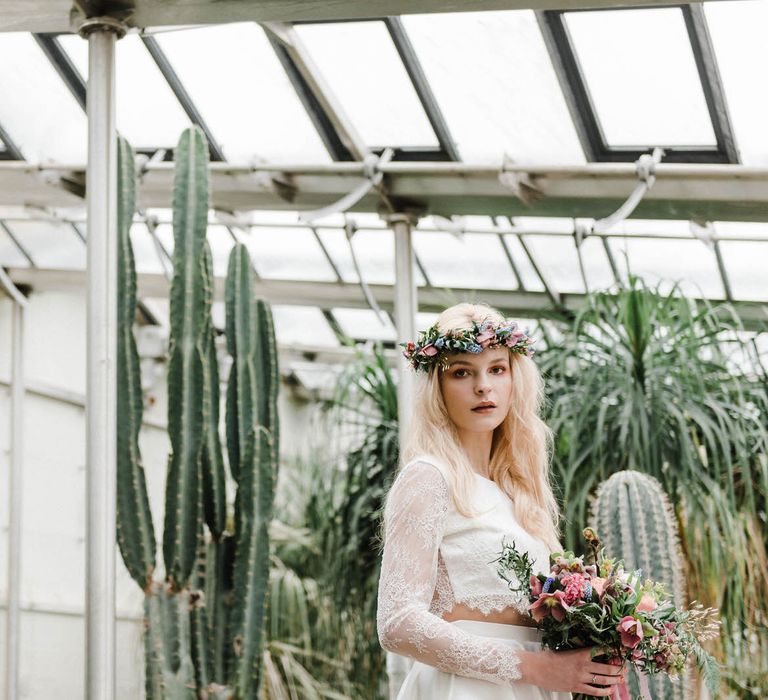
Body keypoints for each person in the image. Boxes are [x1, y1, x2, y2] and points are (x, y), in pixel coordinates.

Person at [376, 303, 628, 699]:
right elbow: (398, 623)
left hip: (536, 688)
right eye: (462, 372)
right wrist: (532, 667)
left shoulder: (521, 492)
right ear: (437, 387)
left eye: (497, 369)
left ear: (515, 379)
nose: (483, 387)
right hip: (466, 689)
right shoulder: (428, 476)